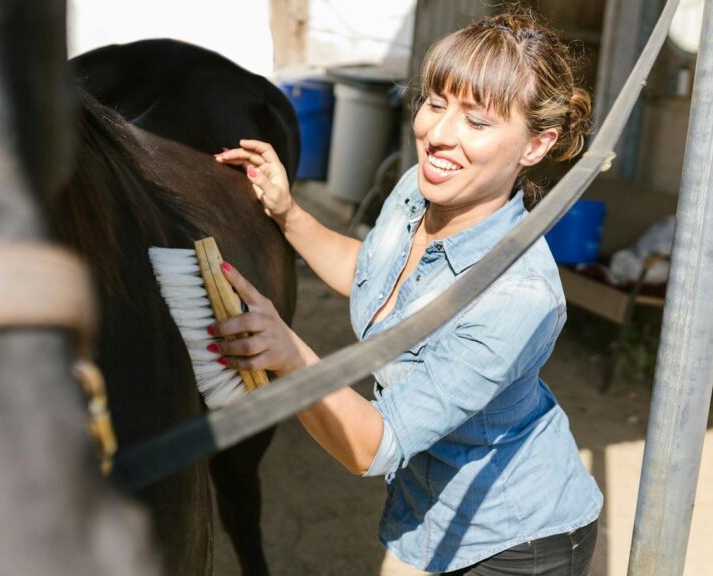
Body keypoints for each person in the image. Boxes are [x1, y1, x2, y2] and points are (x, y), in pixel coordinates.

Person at [210, 11, 603, 576]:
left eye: (478, 121)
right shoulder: (417, 192)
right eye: (436, 103)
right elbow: (372, 278)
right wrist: (288, 213)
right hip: (426, 514)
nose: (439, 134)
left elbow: (376, 443)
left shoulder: (520, 293)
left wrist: (289, 354)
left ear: (536, 145)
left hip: (515, 541)